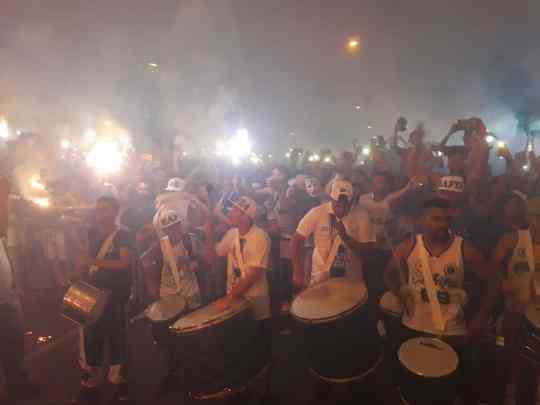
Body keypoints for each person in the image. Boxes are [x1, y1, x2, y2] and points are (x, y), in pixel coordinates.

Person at [384, 197, 498, 403]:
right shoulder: (409, 245)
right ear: (421, 220)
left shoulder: (464, 248)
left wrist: (481, 317)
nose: (443, 224)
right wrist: (400, 292)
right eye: (436, 219)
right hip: (413, 325)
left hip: (452, 330)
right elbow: (389, 273)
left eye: (446, 219)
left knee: (449, 389)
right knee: (413, 385)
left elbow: (493, 281)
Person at [74, 196, 132, 404]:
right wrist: (81, 264)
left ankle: (119, 383)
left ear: (115, 211)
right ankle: (91, 383)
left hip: (115, 296)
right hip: (93, 294)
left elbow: (124, 263)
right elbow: (84, 260)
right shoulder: (91, 233)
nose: (101, 214)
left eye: (106, 209)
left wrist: (92, 261)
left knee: (117, 340)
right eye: (98, 210)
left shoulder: (123, 234)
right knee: (91, 341)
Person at [140, 207, 202, 397]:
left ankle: (194, 373)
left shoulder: (191, 240)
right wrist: (153, 292)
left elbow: (204, 259)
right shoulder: (158, 248)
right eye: (171, 228)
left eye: (177, 226)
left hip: (192, 295)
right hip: (169, 299)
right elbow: (147, 267)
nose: (175, 230)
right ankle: (174, 372)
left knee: (193, 337)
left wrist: (198, 263)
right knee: (171, 339)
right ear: (164, 231)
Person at [204, 196, 272, 343]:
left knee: (259, 342)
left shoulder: (260, 237)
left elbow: (253, 275)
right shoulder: (232, 234)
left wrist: (229, 297)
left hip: (254, 300)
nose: (230, 212)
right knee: (241, 343)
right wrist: (208, 235)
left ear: (246, 216)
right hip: (235, 300)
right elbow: (211, 258)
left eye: (235, 210)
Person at [493, 194, 540, 405]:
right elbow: (491, 269)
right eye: (537, 216)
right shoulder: (512, 239)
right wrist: (502, 283)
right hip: (514, 312)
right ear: (528, 217)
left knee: (530, 369)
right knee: (510, 358)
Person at [292, 180, 376, 289]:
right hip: (320, 277)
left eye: (345, 206)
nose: (341, 210)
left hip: (350, 279)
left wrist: (345, 237)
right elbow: (296, 241)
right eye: (337, 205)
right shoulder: (317, 212)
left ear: (351, 202)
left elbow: (368, 251)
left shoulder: (361, 215)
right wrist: (298, 272)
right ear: (331, 199)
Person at [0, 175, 40, 402]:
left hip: (5, 295)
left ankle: (18, 385)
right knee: (11, 343)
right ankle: (17, 386)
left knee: (13, 346)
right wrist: (2, 192)